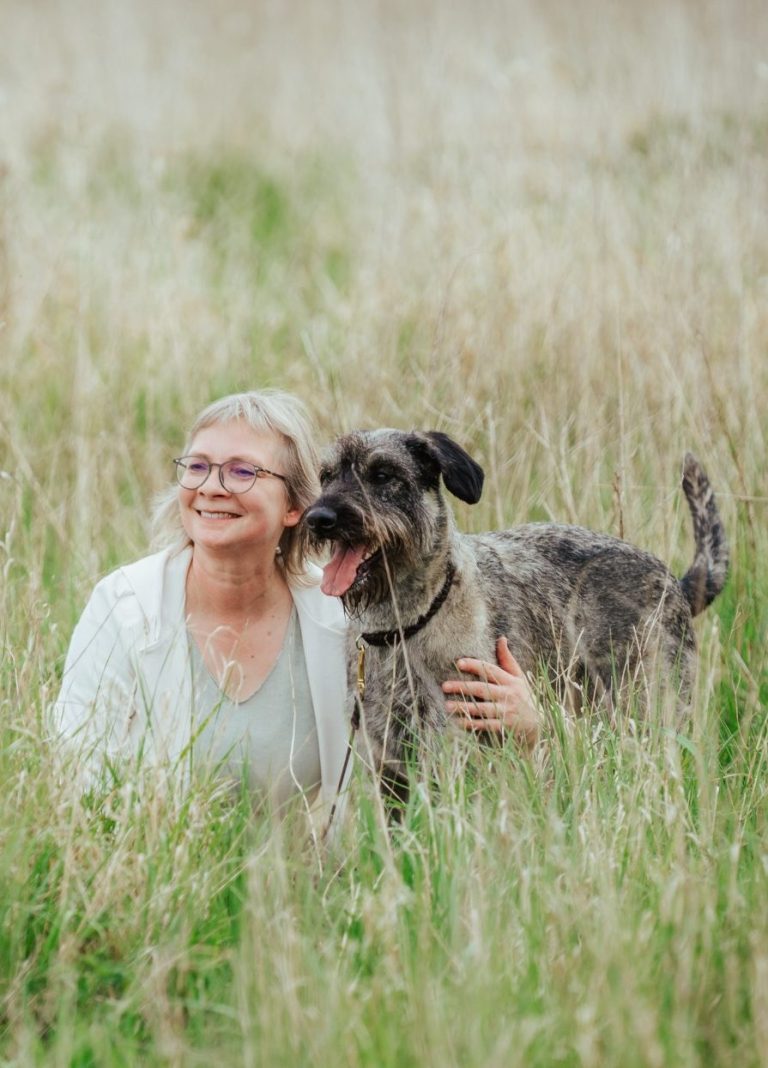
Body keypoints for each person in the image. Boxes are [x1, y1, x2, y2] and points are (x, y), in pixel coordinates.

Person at [52, 390, 539, 826]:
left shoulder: (346, 619)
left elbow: (423, 785)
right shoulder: (124, 607)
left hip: (306, 900)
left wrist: (526, 731)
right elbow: (75, 772)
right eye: (197, 466)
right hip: (165, 882)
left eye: (242, 471)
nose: (212, 486)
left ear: (295, 507)